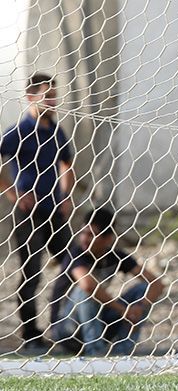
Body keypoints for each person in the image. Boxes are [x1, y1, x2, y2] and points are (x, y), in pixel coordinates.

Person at [0, 73, 75, 352]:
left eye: (55, 95)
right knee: (32, 272)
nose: (53, 101)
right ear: (32, 97)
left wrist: (66, 196)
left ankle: (64, 324)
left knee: (72, 264)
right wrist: (13, 193)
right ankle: (30, 333)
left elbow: (66, 164)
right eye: (47, 95)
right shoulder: (19, 131)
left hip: (55, 211)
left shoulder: (57, 131)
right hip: (28, 214)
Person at [52, 209, 165, 356]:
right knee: (85, 291)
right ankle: (95, 353)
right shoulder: (76, 254)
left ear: (108, 239)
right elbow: (88, 286)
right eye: (83, 233)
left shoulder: (115, 256)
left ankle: (123, 353)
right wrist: (122, 310)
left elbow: (157, 283)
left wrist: (139, 307)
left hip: (100, 323)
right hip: (67, 329)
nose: (84, 239)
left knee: (143, 289)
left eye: (91, 235)